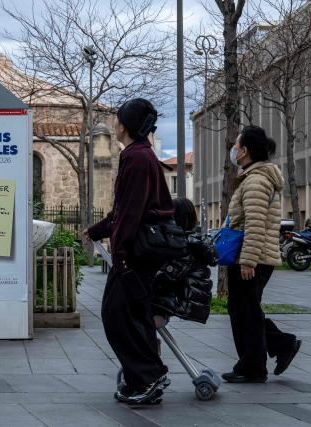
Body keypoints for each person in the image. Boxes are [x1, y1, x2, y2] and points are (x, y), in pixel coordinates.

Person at [83, 98, 174, 404]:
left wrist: (119, 253)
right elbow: (124, 210)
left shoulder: (136, 158)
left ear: (124, 126)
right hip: (137, 251)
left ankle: (147, 376)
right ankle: (144, 377)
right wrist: (98, 231)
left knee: (118, 314)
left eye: (118, 120)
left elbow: (131, 212)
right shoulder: (140, 155)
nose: (114, 124)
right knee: (130, 314)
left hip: (136, 253)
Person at [222, 125, 301, 383]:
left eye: (236, 145)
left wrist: (247, 260)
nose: (233, 148)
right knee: (244, 309)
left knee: (246, 311)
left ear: (245, 151)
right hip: (251, 255)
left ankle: (253, 368)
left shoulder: (256, 180)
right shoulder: (253, 176)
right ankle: (281, 345)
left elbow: (255, 224)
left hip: (252, 257)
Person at [152, 198, 216, 324]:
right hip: (183, 299)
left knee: (135, 310)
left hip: (182, 303)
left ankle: (151, 340)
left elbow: (166, 278)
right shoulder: (190, 241)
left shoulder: (185, 245)